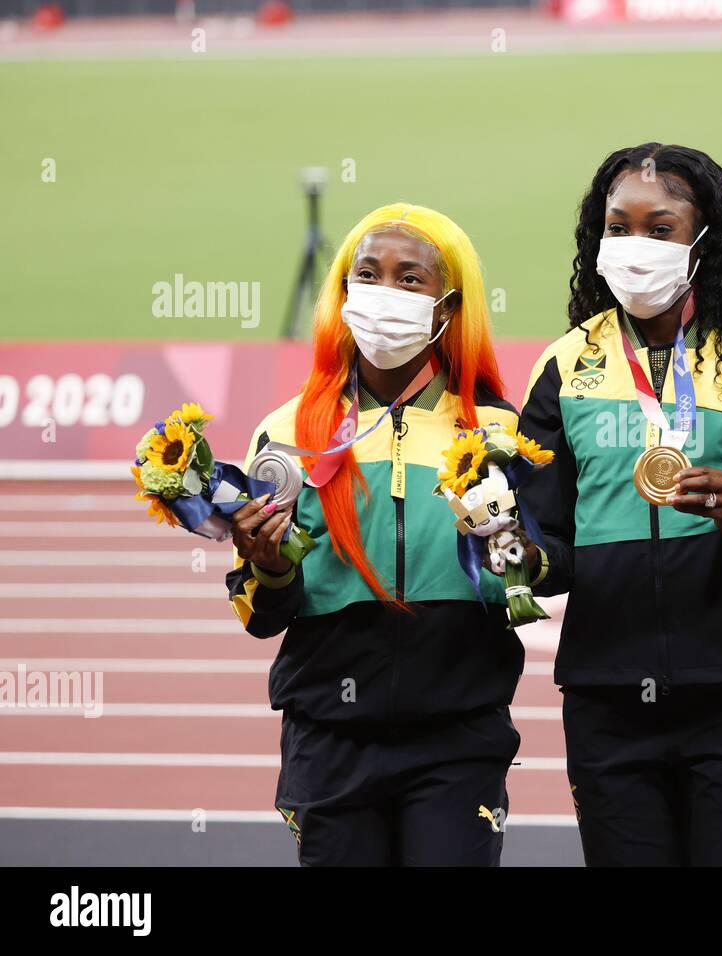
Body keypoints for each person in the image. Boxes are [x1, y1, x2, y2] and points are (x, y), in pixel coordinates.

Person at [516, 143, 722, 866]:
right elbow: (547, 548)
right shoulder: (562, 366)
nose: (634, 246)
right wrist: (519, 557)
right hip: (606, 694)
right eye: (618, 227)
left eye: (661, 228)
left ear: (704, 241)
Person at [225, 203, 524, 866]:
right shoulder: (285, 436)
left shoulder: (498, 433)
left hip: (459, 738)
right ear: (344, 292)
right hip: (330, 739)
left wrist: (510, 551)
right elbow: (258, 613)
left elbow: (529, 587)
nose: (384, 292)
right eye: (368, 273)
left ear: (447, 308)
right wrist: (267, 567)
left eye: (409, 279)